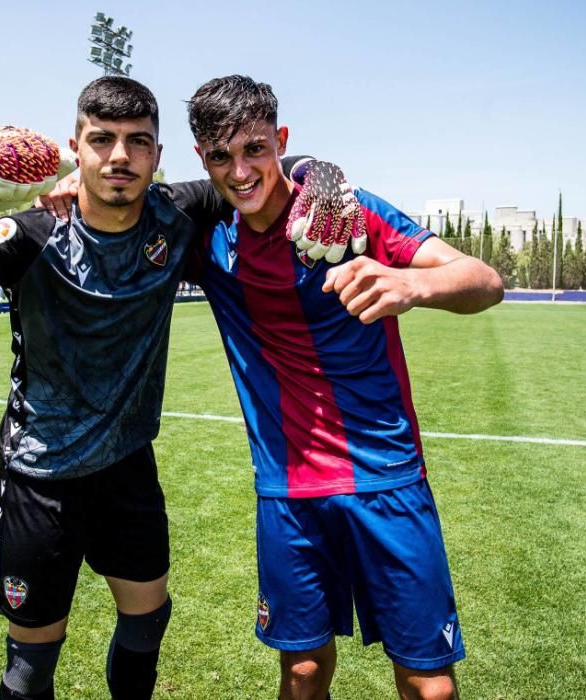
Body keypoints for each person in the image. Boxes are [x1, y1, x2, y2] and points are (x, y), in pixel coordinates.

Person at [0, 78, 356, 700]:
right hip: (40, 473)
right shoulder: (32, 233)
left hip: (128, 466)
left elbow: (258, 167)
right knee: (31, 665)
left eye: (138, 142)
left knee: (146, 624)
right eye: (102, 140)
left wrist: (321, 172)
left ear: (157, 156)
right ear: (74, 149)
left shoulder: (177, 212)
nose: (119, 156)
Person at [177, 75, 504, 700]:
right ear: (203, 160)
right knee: (302, 673)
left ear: (282, 141)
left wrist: (412, 285)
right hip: (288, 492)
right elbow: (121, 207)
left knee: (429, 686)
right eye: (221, 156)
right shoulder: (210, 242)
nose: (241, 171)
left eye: (255, 149)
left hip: (388, 477)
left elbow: (484, 279)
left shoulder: (350, 214)